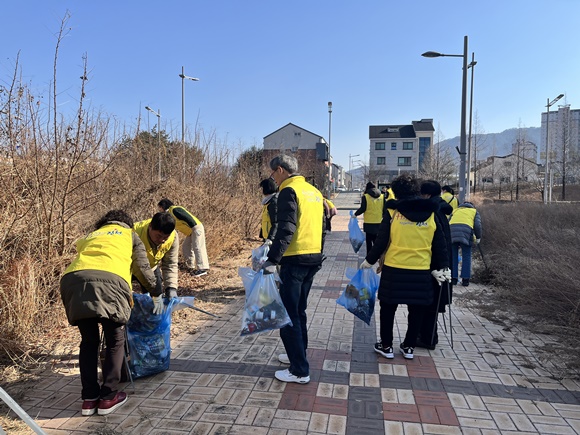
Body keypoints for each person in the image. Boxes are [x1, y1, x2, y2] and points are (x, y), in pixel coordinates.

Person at [60, 210, 159, 416]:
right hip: (111, 283)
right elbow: (143, 269)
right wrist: (156, 292)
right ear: (127, 224)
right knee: (115, 340)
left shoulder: (91, 235)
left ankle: (89, 399)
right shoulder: (130, 235)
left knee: (89, 341)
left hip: (73, 281)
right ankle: (108, 396)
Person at [360, 174, 450, 360]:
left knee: (388, 308)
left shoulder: (393, 212)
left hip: (394, 268)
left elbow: (381, 240)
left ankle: (386, 346)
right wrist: (443, 266)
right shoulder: (432, 213)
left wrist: (369, 261)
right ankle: (409, 347)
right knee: (416, 309)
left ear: (397, 192)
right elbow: (439, 243)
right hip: (421, 269)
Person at [261, 154, 325, 384]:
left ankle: (299, 370)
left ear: (280, 170)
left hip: (294, 259)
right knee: (299, 312)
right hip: (312, 258)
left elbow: (286, 228)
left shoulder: (289, 191)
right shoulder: (314, 192)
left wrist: (272, 259)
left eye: (273, 173)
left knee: (288, 316)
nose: (273, 178)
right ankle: (296, 355)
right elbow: (323, 227)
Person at [416, 180, 454, 350]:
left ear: (427, 195)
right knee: (431, 303)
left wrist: (434, 267)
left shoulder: (433, 212)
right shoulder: (441, 210)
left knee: (429, 303)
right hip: (442, 264)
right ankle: (427, 336)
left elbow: (437, 243)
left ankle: (428, 339)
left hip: (434, 265)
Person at [157, 199, 209, 277]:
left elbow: (188, 218)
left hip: (195, 228)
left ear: (163, 206)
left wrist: (194, 228)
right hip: (191, 232)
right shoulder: (169, 214)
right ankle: (190, 266)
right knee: (186, 247)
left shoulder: (175, 209)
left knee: (198, 247)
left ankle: (202, 269)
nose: (159, 210)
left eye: (160, 207)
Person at [133, 212, 180, 298]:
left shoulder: (173, 237)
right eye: (158, 236)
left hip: (151, 268)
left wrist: (171, 288)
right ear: (150, 226)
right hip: (129, 269)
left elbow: (170, 263)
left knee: (157, 298)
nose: (162, 240)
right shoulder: (133, 233)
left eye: (165, 237)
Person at [449, 201, 482, 286]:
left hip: (452, 231)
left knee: (453, 256)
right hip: (466, 232)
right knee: (466, 255)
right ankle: (465, 279)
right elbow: (477, 225)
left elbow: (448, 221)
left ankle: (453, 279)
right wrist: (478, 237)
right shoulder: (474, 211)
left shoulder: (455, 210)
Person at [353, 181, 384, 255]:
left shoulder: (366, 196)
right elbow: (384, 209)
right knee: (376, 240)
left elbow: (363, 208)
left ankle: (369, 255)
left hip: (369, 222)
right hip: (379, 221)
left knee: (369, 241)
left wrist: (355, 214)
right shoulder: (382, 196)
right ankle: (377, 255)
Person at [259, 178, 278, 245]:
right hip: (267, 238)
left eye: (262, 188)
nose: (261, 190)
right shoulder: (267, 202)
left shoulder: (273, 203)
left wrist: (270, 238)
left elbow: (276, 222)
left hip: (272, 240)